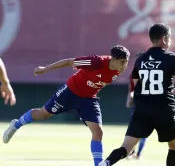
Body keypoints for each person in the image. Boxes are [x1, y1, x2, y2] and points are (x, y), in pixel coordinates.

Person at [2, 45, 130, 166]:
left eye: (126, 62)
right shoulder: (95, 62)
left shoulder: (117, 69)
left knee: (98, 131)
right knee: (42, 114)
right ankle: (16, 124)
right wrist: (45, 69)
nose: (125, 65)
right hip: (70, 92)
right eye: (122, 62)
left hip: (88, 99)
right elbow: (70, 62)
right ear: (113, 60)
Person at [99, 23, 175, 166]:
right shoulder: (172, 58)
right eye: (169, 38)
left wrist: (132, 96)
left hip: (142, 110)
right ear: (164, 39)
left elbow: (134, 82)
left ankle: (106, 163)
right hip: (165, 110)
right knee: (174, 146)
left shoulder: (141, 59)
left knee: (126, 148)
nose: (170, 41)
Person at [126, 74, 146, 160]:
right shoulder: (133, 75)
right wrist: (129, 99)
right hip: (137, 106)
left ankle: (138, 153)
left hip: (147, 105)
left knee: (143, 132)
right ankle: (133, 152)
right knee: (135, 130)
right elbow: (131, 89)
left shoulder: (148, 74)